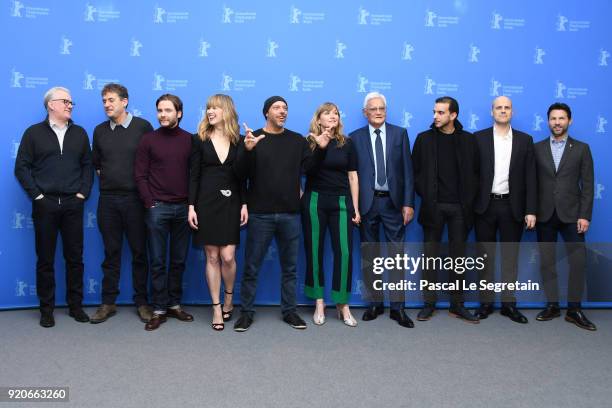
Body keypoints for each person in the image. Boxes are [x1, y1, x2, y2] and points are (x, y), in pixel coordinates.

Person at [233, 96, 331, 332]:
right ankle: (246, 313)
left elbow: (310, 169)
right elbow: (239, 174)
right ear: (266, 112)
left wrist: (320, 149)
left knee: (290, 268)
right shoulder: (252, 138)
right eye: (277, 108)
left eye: (285, 108)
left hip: (290, 214)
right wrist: (247, 150)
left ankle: (290, 312)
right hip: (260, 214)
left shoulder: (297, 141)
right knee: (251, 267)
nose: (282, 111)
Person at [14, 86, 93, 327]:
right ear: (51, 105)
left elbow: (88, 167)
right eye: (65, 101)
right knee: (45, 260)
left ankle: (75, 306)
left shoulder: (80, 133)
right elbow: (21, 167)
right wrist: (37, 196)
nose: (70, 105)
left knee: (75, 258)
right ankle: (46, 310)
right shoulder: (33, 133)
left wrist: (82, 194)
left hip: (72, 204)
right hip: (45, 205)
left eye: (71, 102)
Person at [350, 92, 415, 328]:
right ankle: (374, 304)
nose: (378, 112)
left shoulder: (400, 134)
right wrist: (354, 208)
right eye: (373, 109)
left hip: (393, 204)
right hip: (367, 205)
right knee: (370, 256)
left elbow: (408, 172)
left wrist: (408, 203)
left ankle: (398, 309)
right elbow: (352, 176)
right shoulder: (354, 138)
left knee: (396, 257)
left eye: (382, 109)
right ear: (364, 112)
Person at [90, 83, 154, 324]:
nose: (106, 104)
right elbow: (97, 164)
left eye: (111, 100)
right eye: (104, 101)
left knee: (140, 253)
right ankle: (108, 303)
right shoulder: (99, 131)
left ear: (124, 102)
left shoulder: (143, 127)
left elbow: (151, 161)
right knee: (111, 253)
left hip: (136, 201)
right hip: (108, 201)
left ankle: (142, 303)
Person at [412, 96, 479, 323]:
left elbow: (477, 174)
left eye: (441, 113)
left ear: (453, 115)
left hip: (461, 209)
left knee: (458, 258)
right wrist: (428, 195)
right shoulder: (423, 139)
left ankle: (457, 304)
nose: (435, 116)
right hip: (433, 208)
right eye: (434, 112)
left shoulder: (469, 141)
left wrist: (467, 201)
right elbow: (415, 173)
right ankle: (428, 303)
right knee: (430, 257)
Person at [473, 96, 537, 324]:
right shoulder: (478, 138)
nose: (503, 110)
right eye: (498, 107)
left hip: (513, 207)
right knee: (485, 257)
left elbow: (531, 177)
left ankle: (509, 305)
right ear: (492, 112)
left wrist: (531, 210)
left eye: (506, 107)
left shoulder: (524, 140)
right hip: (484, 207)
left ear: (512, 112)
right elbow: (471, 176)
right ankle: (486, 303)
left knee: (510, 258)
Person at [534, 102, 596, 331]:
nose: (557, 123)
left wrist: (585, 215)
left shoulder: (581, 148)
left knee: (577, 263)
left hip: (573, 216)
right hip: (545, 214)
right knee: (547, 262)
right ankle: (552, 305)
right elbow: (531, 183)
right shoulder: (537, 148)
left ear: (570, 121)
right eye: (553, 119)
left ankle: (574, 309)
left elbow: (588, 185)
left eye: (561, 118)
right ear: (547, 121)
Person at [188, 94, 247, 331]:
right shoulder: (199, 139)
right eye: (208, 108)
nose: (210, 111)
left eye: (215, 108)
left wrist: (244, 204)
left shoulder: (239, 140)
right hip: (206, 202)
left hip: (232, 202)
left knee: (228, 256)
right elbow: (193, 175)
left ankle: (230, 297)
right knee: (212, 256)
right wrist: (191, 206)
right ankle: (215, 306)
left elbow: (243, 176)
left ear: (226, 111)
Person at [135, 94, 193, 331]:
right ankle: (158, 309)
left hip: (183, 209)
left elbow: (196, 175)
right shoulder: (148, 140)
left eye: (168, 110)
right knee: (158, 261)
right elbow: (140, 175)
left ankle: (174, 305)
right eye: (159, 110)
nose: (162, 115)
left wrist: (192, 204)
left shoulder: (191, 140)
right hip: (157, 208)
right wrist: (150, 202)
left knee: (178, 261)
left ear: (179, 113)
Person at [301, 102, 360, 327]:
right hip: (315, 201)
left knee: (344, 252)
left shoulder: (347, 143)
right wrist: (321, 146)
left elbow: (353, 176)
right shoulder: (309, 141)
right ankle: (319, 302)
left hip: (342, 202)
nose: (333, 116)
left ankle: (342, 304)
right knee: (314, 251)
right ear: (318, 119)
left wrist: (355, 207)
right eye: (327, 113)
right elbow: (305, 171)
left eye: (336, 112)